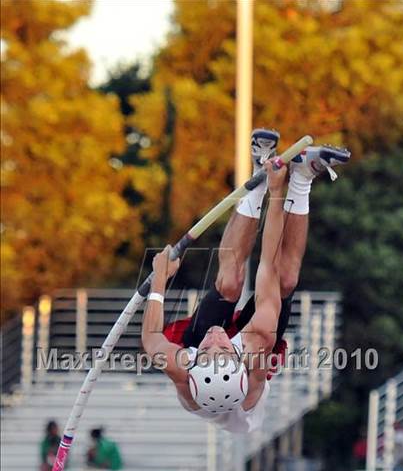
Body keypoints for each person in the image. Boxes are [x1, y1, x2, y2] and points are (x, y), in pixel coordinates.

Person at [142, 129, 350, 434]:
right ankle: (303, 178)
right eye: (222, 348)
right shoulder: (256, 348)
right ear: (237, 355)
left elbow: (151, 336)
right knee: (285, 279)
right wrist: (279, 193)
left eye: (207, 349)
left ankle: (258, 174)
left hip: (211, 382)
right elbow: (268, 261)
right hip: (245, 390)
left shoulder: (180, 366)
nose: (214, 338)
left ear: (193, 361)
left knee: (229, 283)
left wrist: (160, 276)